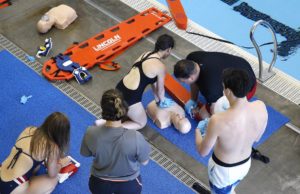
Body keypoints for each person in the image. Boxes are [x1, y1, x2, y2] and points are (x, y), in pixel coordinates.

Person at [195, 69, 268, 194]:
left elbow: (202, 151)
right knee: (230, 189)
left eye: (223, 88)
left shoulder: (218, 120)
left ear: (227, 91)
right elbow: (257, 138)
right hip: (244, 165)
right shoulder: (260, 106)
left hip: (223, 171)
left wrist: (198, 131)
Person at [81, 89, 151, 194]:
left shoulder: (90, 132)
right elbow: (145, 162)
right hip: (129, 186)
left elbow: (85, 154)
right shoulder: (136, 137)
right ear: (123, 108)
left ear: (103, 109)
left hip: (99, 184)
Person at [112, 34, 175, 130]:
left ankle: (120, 112)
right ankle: (113, 127)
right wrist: (162, 101)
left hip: (119, 88)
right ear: (169, 50)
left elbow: (151, 80)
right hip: (129, 98)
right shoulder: (160, 67)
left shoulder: (146, 54)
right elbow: (160, 90)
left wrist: (157, 100)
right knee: (141, 123)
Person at [0, 112, 71, 194]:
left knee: (35, 166)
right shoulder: (53, 147)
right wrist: (60, 164)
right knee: (52, 181)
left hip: (1, 170)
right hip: (11, 187)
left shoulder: (29, 129)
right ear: (63, 134)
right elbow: (52, 174)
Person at [173, 51, 257, 119]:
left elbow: (215, 111)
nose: (183, 83)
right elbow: (194, 82)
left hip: (247, 88)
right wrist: (193, 100)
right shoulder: (192, 58)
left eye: (183, 81)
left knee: (203, 114)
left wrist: (212, 125)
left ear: (190, 78)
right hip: (242, 65)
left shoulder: (210, 89)